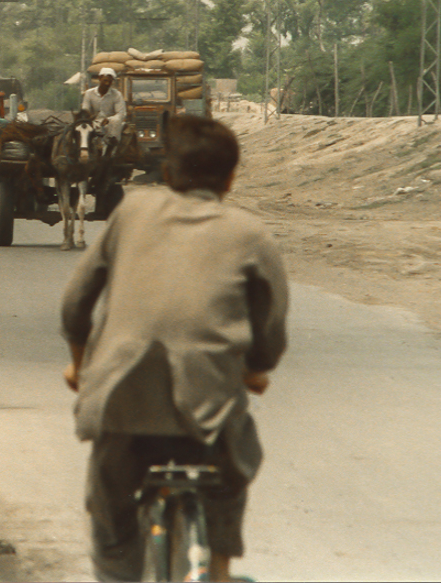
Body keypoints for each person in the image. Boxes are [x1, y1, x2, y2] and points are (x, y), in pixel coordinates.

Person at [60, 115, 288, 583]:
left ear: (166, 172)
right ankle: (218, 569)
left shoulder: (131, 212)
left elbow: (75, 304)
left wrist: (80, 367)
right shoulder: (251, 233)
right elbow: (271, 332)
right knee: (231, 475)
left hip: (122, 397)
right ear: (230, 176)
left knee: (110, 513)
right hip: (208, 403)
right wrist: (255, 369)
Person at [81, 67, 126, 144]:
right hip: (93, 122)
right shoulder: (89, 93)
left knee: (116, 123)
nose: (107, 84)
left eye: (110, 81)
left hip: (110, 124)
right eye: (105, 80)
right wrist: (91, 119)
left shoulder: (117, 95)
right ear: (100, 78)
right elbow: (85, 110)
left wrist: (109, 119)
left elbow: (121, 113)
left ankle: (111, 147)